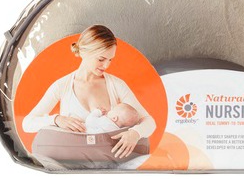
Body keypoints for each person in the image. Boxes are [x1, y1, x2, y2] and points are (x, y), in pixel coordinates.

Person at [22, 24, 156, 160]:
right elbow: (27, 123)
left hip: (110, 161)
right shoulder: (62, 86)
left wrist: (135, 133)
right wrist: (56, 119)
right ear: (84, 52)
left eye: (110, 60)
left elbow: (149, 121)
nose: (106, 65)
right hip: (73, 162)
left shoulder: (116, 85)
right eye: (101, 59)